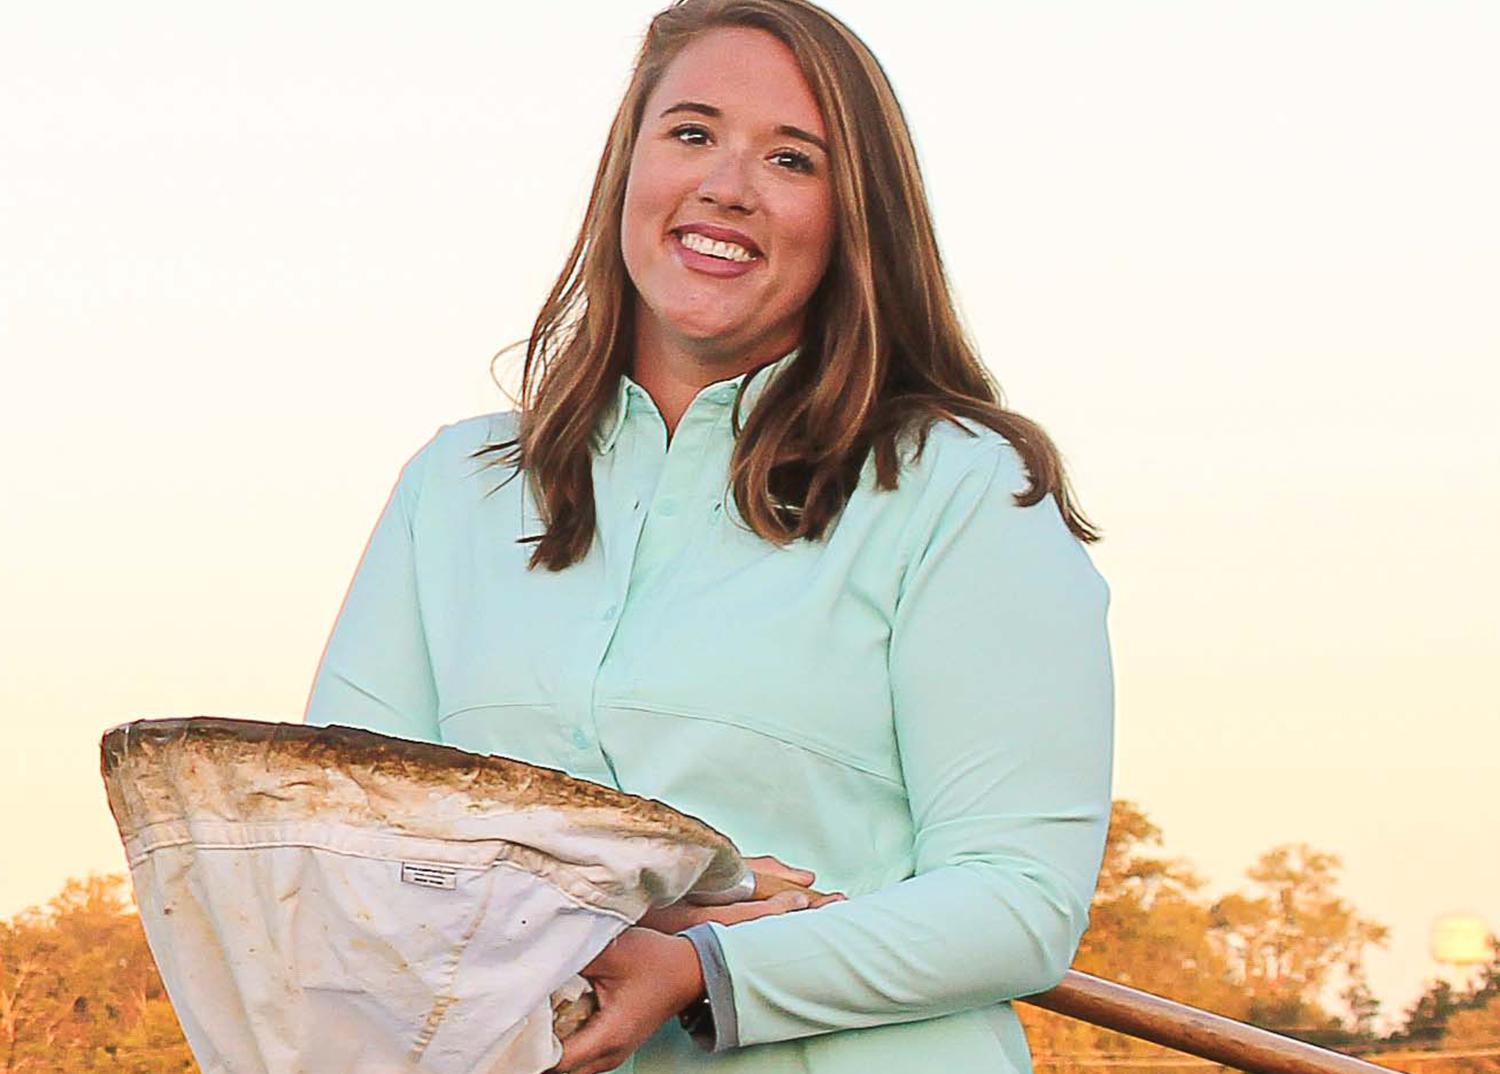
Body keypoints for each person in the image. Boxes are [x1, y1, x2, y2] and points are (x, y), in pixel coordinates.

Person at [305, 1, 1114, 1072]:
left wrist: (703, 970)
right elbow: (343, 851)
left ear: (853, 216)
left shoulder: (961, 491)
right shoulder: (452, 489)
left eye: (792, 158)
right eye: (691, 133)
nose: (726, 184)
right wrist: (601, 928)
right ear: (626, 168)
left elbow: (1019, 902)